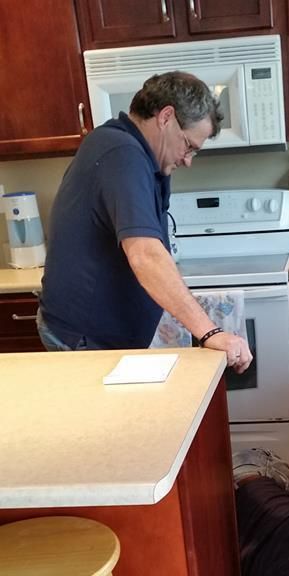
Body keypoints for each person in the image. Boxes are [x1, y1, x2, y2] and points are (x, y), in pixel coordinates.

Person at [37, 72, 252, 372]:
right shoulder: (122, 154)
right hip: (85, 339)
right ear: (166, 117)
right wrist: (210, 332)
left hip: (99, 336)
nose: (188, 160)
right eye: (189, 146)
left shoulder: (138, 155)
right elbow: (145, 253)